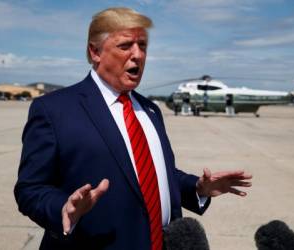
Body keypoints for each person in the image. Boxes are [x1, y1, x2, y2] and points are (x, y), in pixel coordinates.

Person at [14, 7, 252, 250]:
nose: (138, 55)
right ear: (95, 52)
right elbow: (30, 189)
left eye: (143, 46)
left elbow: (157, 174)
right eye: (126, 46)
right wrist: (63, 208)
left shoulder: (150, 110)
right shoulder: (54, 109)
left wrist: (198, 188)